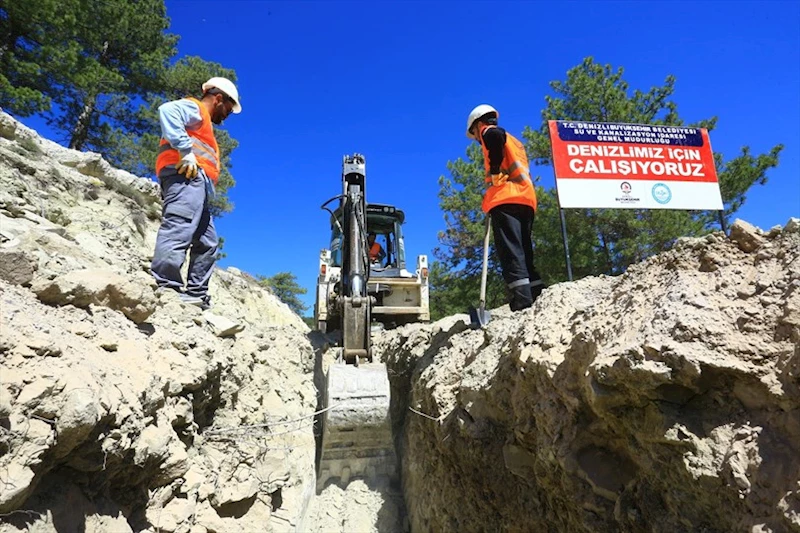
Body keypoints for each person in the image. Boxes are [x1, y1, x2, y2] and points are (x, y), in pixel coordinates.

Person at [151, 77, 242, 309]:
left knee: (208, 242)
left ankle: (196, 294)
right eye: (228, 110)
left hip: (195, 183)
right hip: (184, 176)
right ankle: (166, 287)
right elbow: (167, 110)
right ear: (219, 98)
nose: (227, 116)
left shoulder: (205, 124)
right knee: (179, 226)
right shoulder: (196, 108)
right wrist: (185, 151)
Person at [466, 104, 545, 311]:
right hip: (526, 199)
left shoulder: (488, 132)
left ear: (479, 123)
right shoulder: (516, 142)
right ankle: (537, 295)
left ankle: (522, 302)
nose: (476, 138)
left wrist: (493, 170)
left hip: (505, 198)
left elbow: (495, 136)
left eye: (474, 133)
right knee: (525, 252)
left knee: (511, 253)